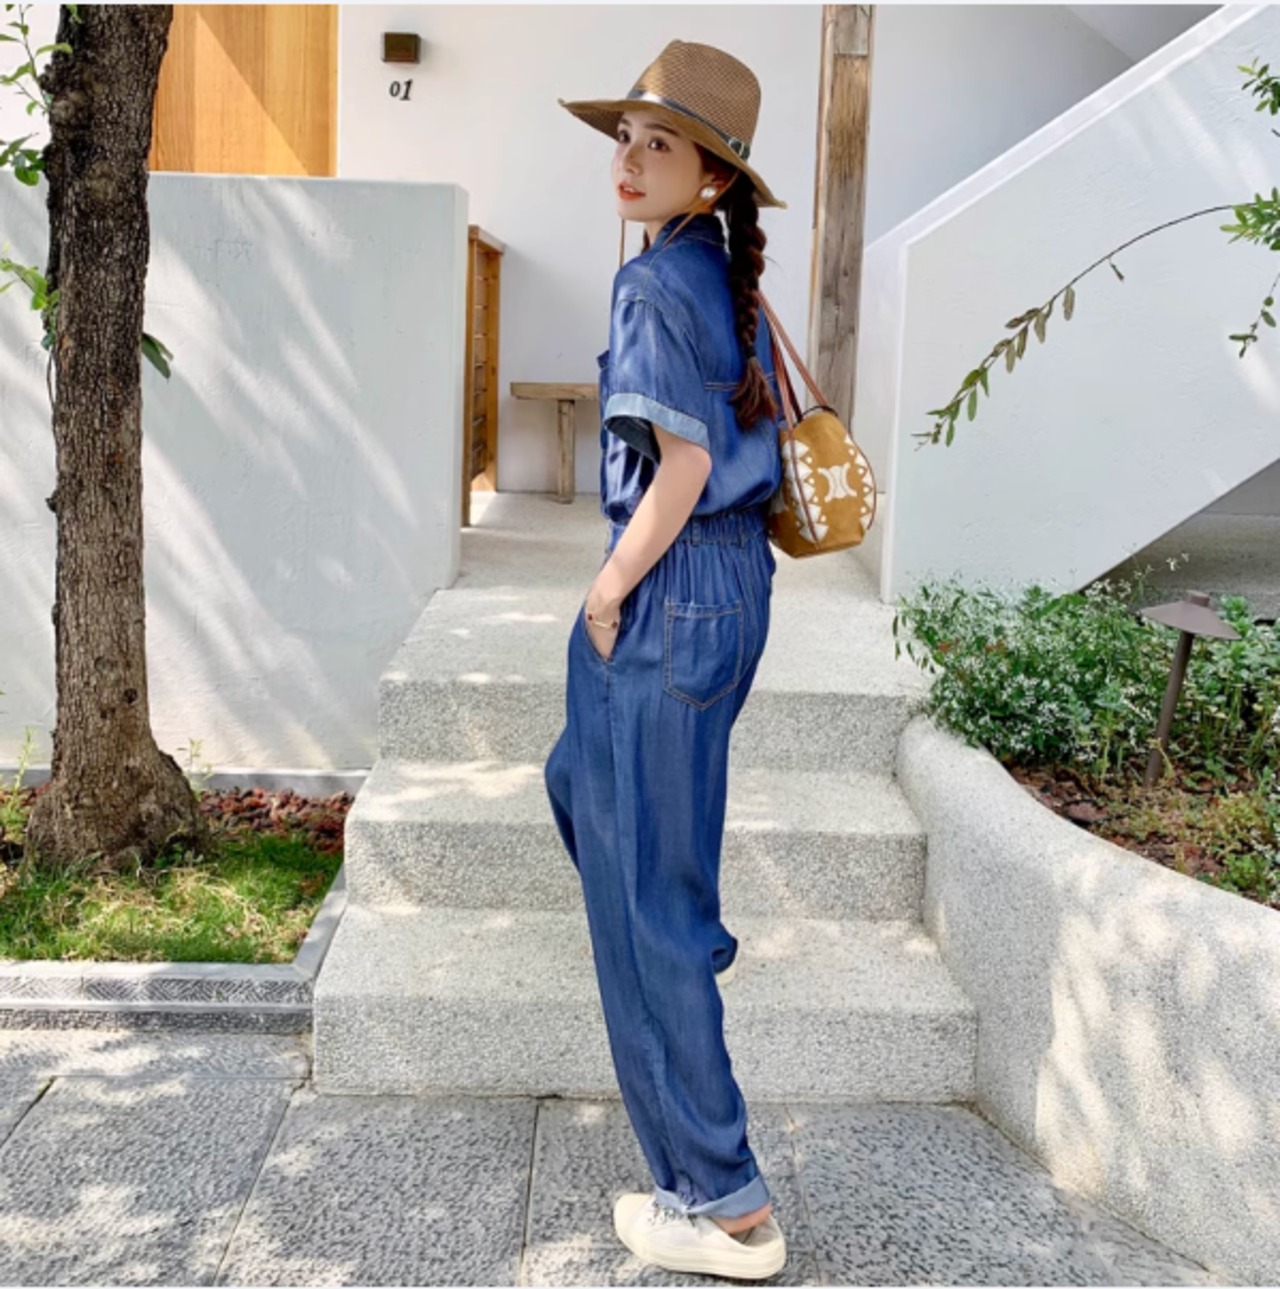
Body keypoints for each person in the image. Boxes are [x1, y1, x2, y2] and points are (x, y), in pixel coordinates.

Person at [545, 39, 788, 1281]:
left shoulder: (651, 285)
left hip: (667, 591)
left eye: (660, 145)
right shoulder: (711, 273)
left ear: (712, 175)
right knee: (592, 803)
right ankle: (681, 968)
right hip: (730, 589)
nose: (629, 163)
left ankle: (717, 1197)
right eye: (625, 140)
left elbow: (681, 466)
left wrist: (605, 591)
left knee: (647, 901)